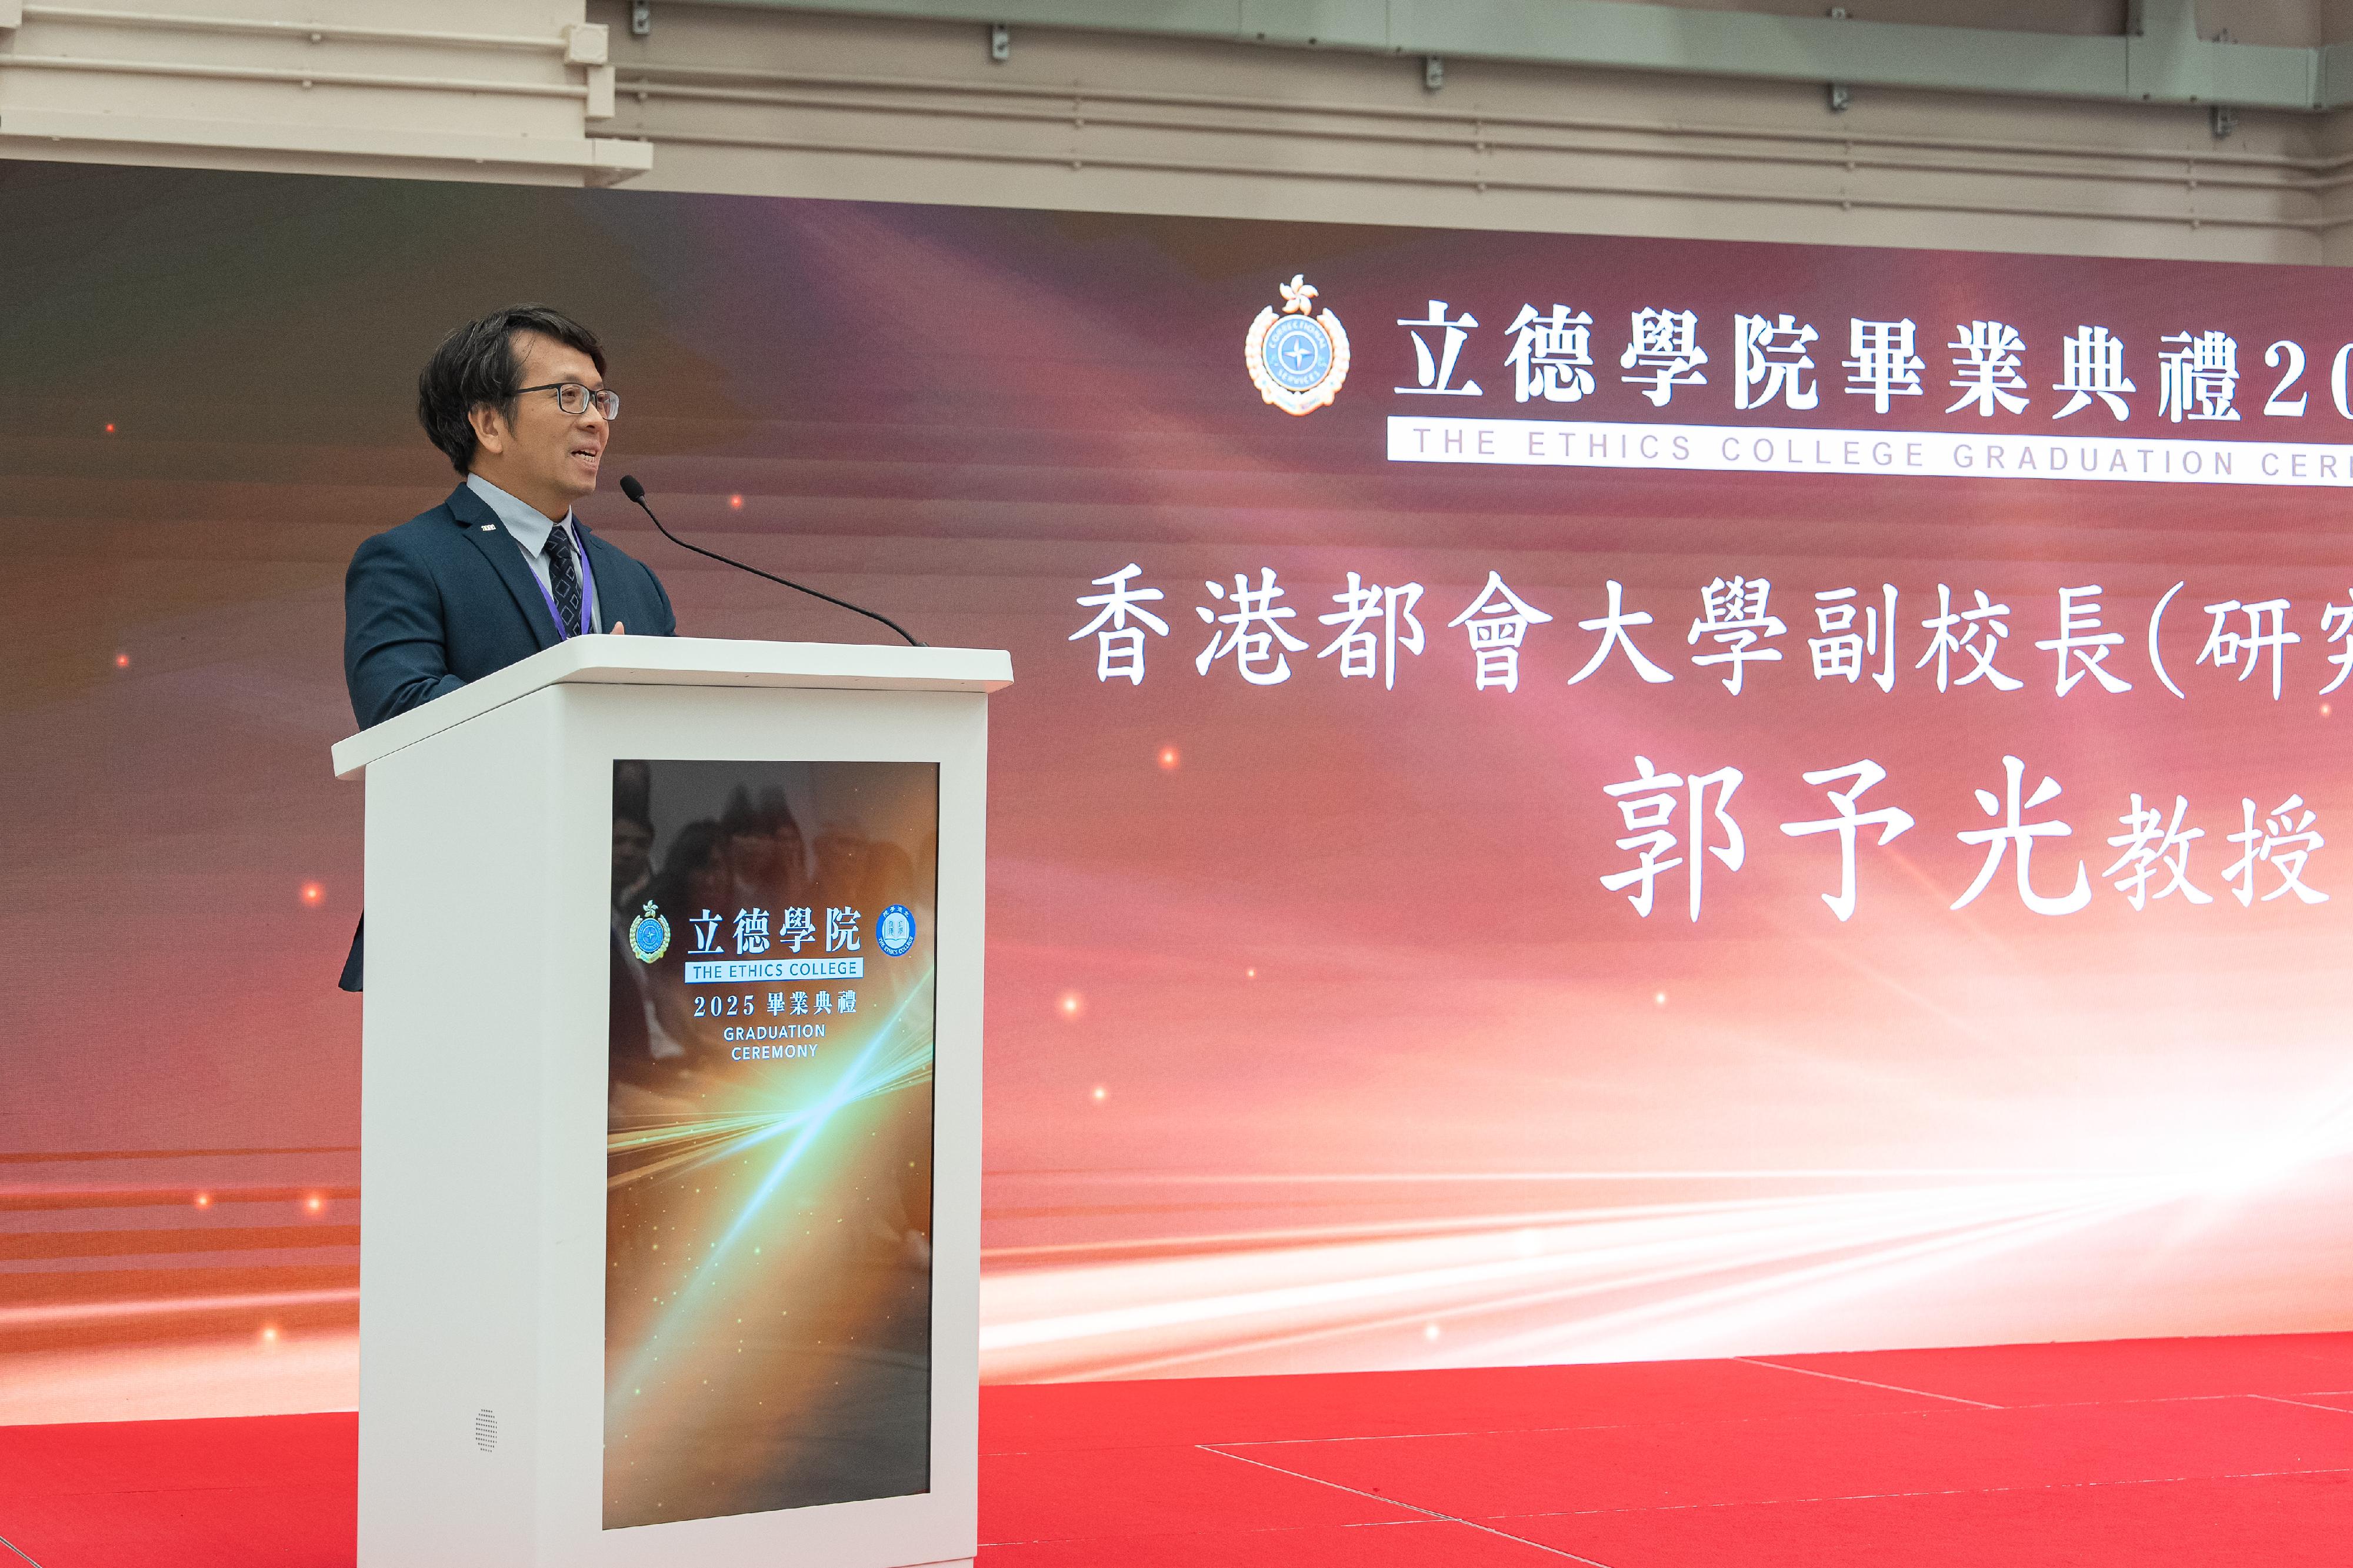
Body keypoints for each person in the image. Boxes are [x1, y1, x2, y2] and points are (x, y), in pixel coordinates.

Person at [338, 305, 679, 990]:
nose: (596, 419)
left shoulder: (634, 581)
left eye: (601, 398)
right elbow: (401, 712)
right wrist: (570, 693)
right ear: (487, 422)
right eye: (567, 396)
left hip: (622, 947)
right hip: (465, 932)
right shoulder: (407, 561)